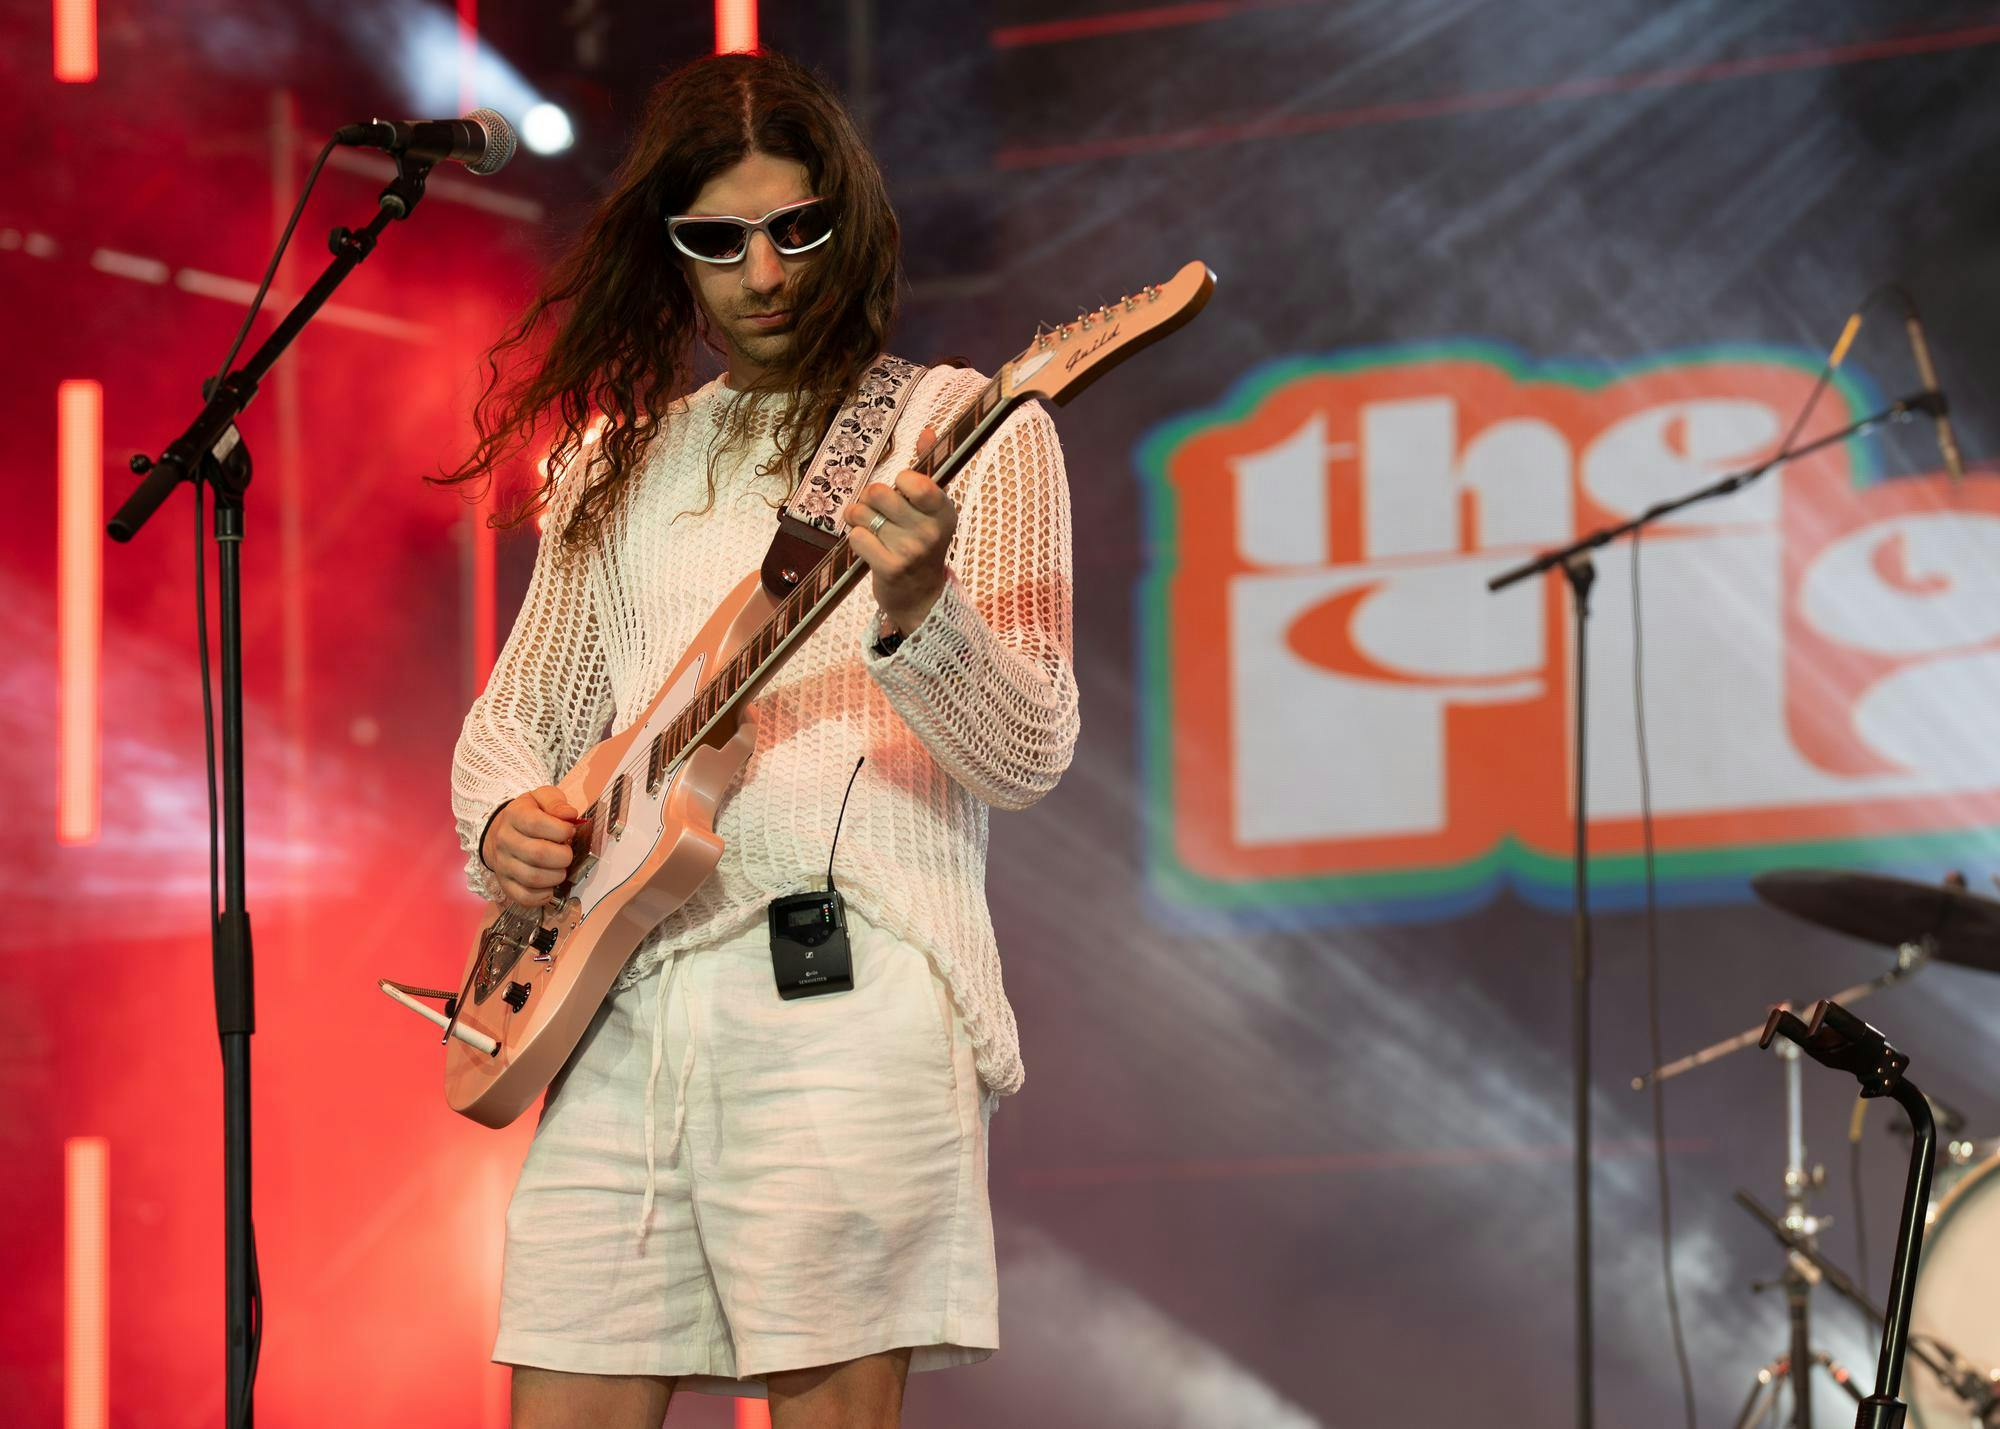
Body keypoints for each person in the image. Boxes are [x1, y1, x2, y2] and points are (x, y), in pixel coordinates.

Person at [441, 48, 1078, 1429]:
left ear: (849, 220)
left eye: (796, 228)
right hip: (619, 998)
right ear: (669, 250)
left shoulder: (964, 426)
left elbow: (1029, 751)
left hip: (844, 990)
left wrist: (920, 609)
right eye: (719, 242)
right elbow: (514, 725)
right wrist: (506, 822)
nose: (766, 273)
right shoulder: (609, 464)